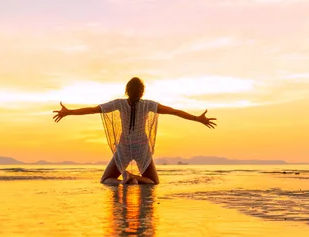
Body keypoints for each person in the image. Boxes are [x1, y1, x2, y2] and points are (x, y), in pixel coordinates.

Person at [53, 77, 217, 185]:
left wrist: (69, 112)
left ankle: (127, 180)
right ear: (142, 92)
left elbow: (93, 109)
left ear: (127, 91)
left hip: (124, 147)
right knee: (153, 182)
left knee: (106, 180)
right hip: (141, 148)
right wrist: (197, 119)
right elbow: (174, 111)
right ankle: (133, 178)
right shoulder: (148, 105)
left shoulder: (119, 103)